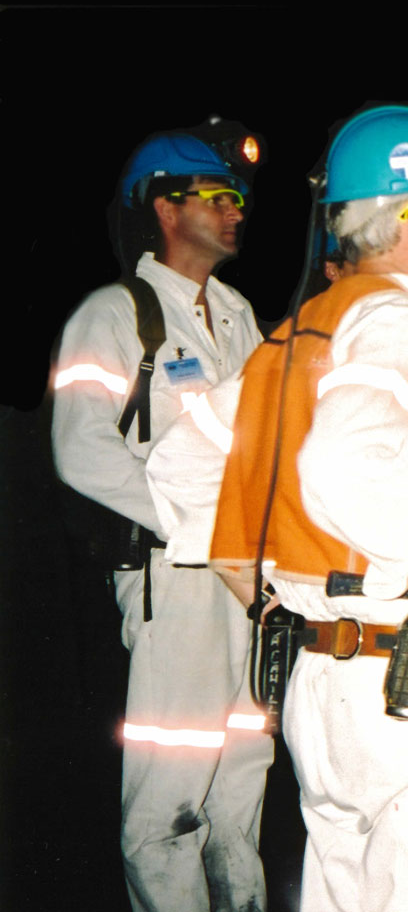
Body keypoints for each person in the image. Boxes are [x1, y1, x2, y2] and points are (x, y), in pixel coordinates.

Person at [198, 105, 408, 911]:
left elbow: (184, 464)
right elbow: (347, 465)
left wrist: (255, 584)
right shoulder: (395, 319)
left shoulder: (302, 331)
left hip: (327, 679)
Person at [51, 131, 273, 912]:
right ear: (164, 207)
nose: (235, 208)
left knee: (241, 782)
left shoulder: (241, 315)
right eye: (216, 194)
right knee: (170, 798)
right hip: (175, 579)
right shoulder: (114, 317)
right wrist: (197, 531)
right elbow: (83, 451)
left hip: (250, 582)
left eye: (238, 196)